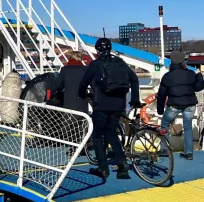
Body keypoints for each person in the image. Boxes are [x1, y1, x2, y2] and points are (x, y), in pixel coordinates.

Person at [78, 38, 141, 180]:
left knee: (98, 136)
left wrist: (81, 95)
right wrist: (135, 99)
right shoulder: (120, 62)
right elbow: (134, 79)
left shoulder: (95, 64)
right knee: (111, 134)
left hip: (102, 105)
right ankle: (123, 165)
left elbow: (83, 83)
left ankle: (103, 168)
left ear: (97, 50)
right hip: (119, 105)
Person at [157, 49, 204, 160]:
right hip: (190, 104)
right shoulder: (190, 74)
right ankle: (188, 153)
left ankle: (165, 150)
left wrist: (160, 110)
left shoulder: (167, 76)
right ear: (182, 61)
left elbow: (161, 95)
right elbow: (199, 87)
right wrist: (199, 76)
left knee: (165, 125)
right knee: (188, 128)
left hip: (174, 105)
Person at [51, 49, 90, 114]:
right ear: (80, 58)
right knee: (83, 121)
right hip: (82, 103)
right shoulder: (85, 69)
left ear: (70, 58)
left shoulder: (64, 69)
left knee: (68, 122)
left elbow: (59, 86)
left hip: (68, 103)